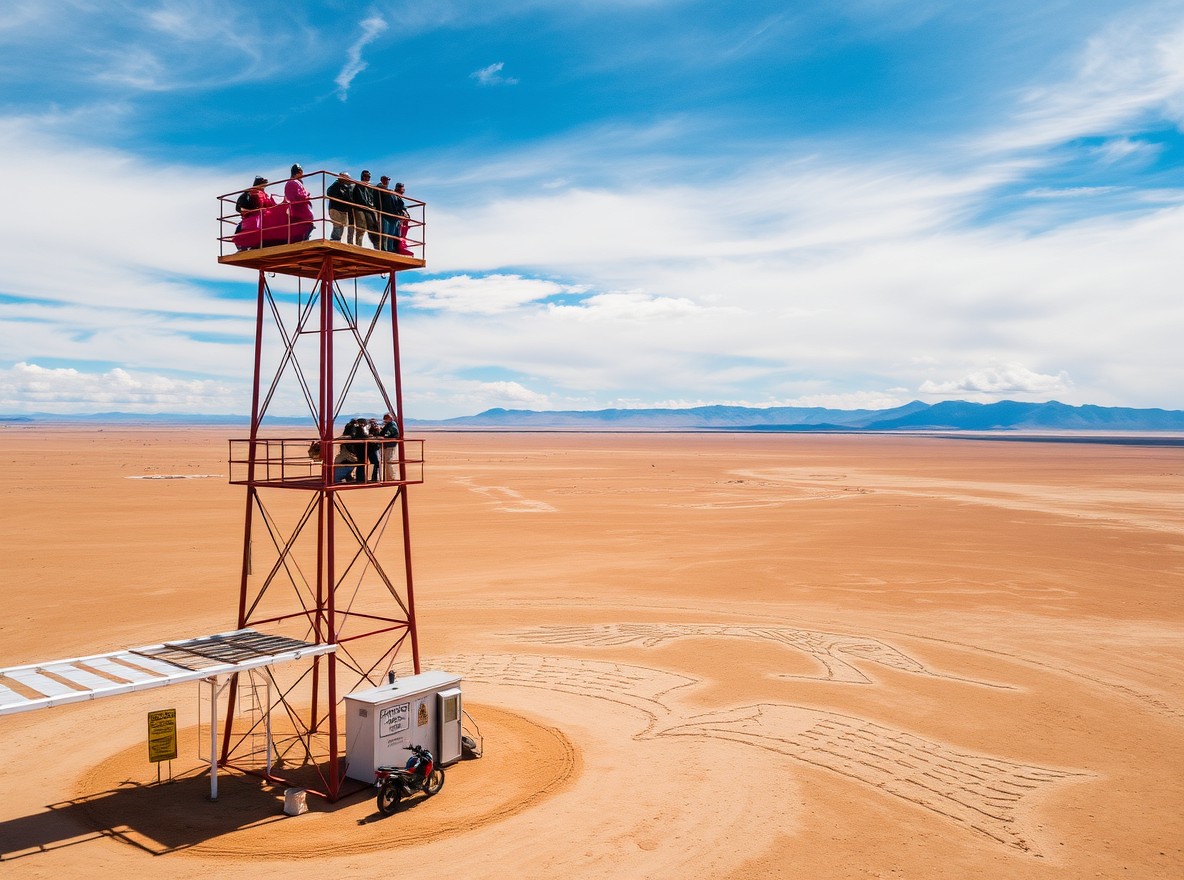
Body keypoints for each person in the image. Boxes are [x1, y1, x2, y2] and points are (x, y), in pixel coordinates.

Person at [284, 164, 314, 241]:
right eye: (301, 172)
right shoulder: (293, 183)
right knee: (301, 233)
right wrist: (306, 195)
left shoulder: (295, 183)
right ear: (299, 172)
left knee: (305, 230)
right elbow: (296, 197)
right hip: (300, 214)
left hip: (302, 214)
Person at [350, 169, 380, 247]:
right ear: (362, 176)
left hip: (369, 208)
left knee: (373, 227)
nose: (367, 178)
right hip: (359, 207)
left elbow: (374, 198)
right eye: (365, 176)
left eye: (368, 176)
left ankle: (377, 246)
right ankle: (358, 245)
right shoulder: (356, 185)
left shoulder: (371, 188)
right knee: (361, 226)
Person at [326, 172, 354, 243]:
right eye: (347, 178)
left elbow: (349, 199)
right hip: (335, 208)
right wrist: (339, 182)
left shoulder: (346, 188)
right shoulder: (336, 184)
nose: (348, 180)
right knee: (337, 226)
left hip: (343, 210)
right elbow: (329, 193)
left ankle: (337, 241)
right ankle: (335, 241)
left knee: (341, 226)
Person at [376, 176, 399, 252]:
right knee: (384, 232)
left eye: (388, 180)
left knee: (391, 234)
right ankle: (384, 248)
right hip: (384, 213)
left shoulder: (390, 192)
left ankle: (390, 249)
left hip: (390, 214)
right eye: (385, 179)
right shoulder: (379, 188)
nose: (387, 181)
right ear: (381, 180)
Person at [379, 411, 400, 480]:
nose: (384, 420)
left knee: (389, 461)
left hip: (390, 445)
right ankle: (389, 477)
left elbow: (385, 433)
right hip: (388, 445)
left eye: (385, 419)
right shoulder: (390, 425)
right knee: (387, 461)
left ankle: (391, 477)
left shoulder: (391, 425)